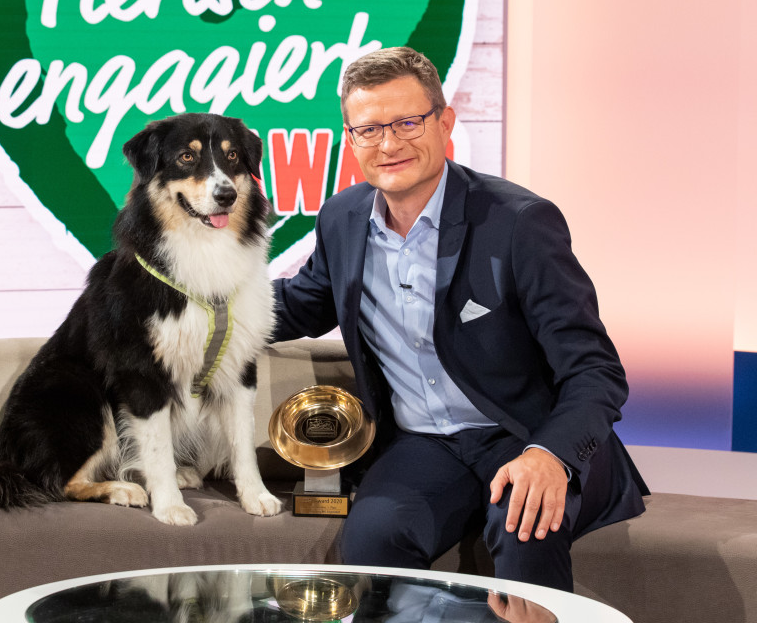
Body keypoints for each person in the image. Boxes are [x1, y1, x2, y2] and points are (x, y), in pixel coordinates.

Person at [272, 46, 648, 592]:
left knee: (525, 527)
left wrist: (550, 456)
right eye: (369, 129)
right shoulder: (341, 218)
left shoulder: (519, 223)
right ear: (350, 140)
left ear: (445, 122)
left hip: (526, 431)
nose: (389, 144)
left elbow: (595, 371)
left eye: (408, 122)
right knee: (372, 539)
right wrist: (187, 307)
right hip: (425, 445)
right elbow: (301, 303)